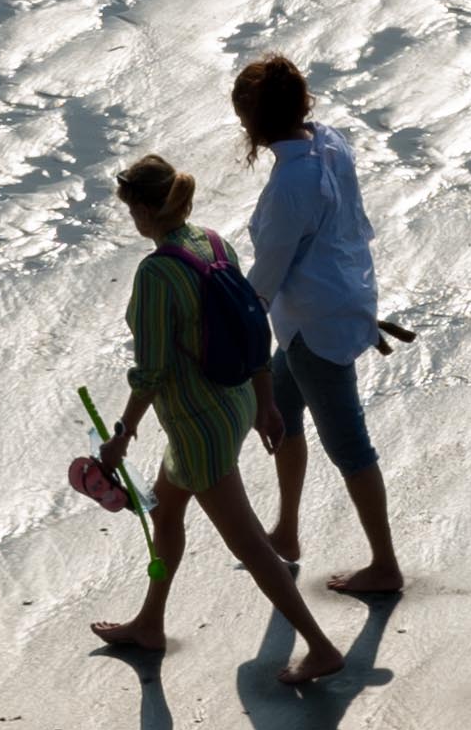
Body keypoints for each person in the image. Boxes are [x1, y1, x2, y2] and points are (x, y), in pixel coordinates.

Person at [91, 154, 349, 692]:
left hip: (197, 425)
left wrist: (119, 437)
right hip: (232, 403)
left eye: (130, 210)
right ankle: (150, 624)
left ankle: (321, 647)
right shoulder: (212, 241)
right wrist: (265, 403)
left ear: (142, 209)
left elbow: (153, 372)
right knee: (165, 514)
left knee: (251, 544)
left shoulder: (158, 271)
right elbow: (253, 326)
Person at [231, 53, 413, 602]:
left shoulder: (290, 185)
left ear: (255, 122)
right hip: (328, 308)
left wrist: (225, 324)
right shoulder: (329, 142)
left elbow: (266, 276)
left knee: (350, 446)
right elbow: (345, 230)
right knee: (284, 418)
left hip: (315, 328)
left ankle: (385, 564)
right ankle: (286, 530)